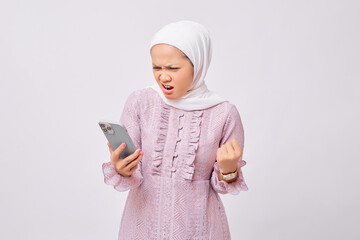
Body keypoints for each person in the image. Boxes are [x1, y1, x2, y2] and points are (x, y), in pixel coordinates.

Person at [102, 20, 248, 239]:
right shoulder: (140, 102)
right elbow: (131, 171)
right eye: (156, 67)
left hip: (199, 228)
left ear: (197, 64)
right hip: (143, 226)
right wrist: (122, 169)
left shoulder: (224, 113)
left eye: (173, 68)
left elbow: (224, 185)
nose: (163, 76)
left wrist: (228, 170)